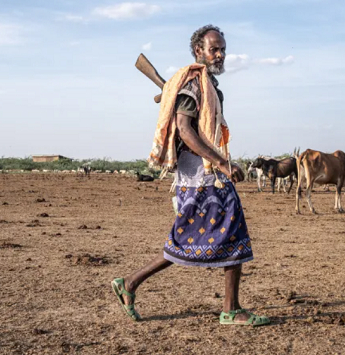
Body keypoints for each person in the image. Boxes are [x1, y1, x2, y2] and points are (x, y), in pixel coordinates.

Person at [111, 25, 270, 326]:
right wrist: (222, 163)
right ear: (199, 51)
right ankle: (230, 309)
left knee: (198, 238)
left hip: (203, 176)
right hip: (200, 177)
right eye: (214, 49)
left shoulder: (204, 85)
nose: (221, 54)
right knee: (218, 233)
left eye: (223, 48)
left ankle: (131, 284)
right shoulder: (193, 85)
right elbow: (185, 129)